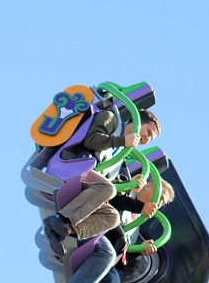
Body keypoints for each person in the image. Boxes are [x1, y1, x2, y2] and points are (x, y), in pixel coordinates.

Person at [55, 179, 174, 283]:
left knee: (113, 282)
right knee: (108, 253)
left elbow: (120, 255)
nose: (159, 204)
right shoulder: (128, 188)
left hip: (103, 250)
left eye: (162, 203)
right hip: (90, 230)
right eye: (160, 197)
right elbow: (108, 200)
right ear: (147, 186)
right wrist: (138, 205)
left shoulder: (135, 225)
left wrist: (139, 250)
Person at [43, 108, 162, 252]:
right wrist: (122, 140)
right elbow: (90, 140)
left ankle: (63, 230)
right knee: (108, 189)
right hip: (72, 162)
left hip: (87, 177)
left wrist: (127, 186)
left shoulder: (121, 152)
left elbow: (103, 181)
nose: (147, 139)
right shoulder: (112, 119)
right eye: (148, 132)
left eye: (151, 139)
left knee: (112, 217)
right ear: (138, 122)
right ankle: (60, 219)